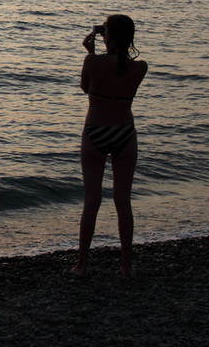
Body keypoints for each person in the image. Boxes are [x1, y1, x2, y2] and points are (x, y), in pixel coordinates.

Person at [72, 14, 147, 278]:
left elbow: (85, 87)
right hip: (125, 133)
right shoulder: (140, 68)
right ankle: (126, 266)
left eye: (104, 30)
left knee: (92, 200)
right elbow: (121, 73)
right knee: (123, 201)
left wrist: (91, 54)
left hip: (95, 132)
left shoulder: (92, 61)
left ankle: (82, 265)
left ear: (109, 36)